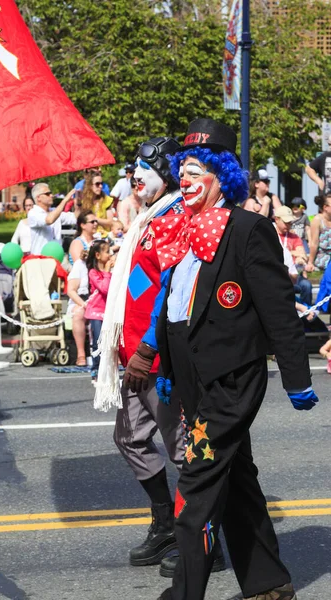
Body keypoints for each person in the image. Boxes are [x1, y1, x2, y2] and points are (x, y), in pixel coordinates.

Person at [142, 118, 319, 600]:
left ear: (222, 176)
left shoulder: (248, 229)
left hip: (231, 381)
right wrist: (164, 364)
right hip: (193, 378)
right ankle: (269, 584)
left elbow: (278, 308)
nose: (186, 180)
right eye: (183, 170)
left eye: (197, 171)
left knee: (195, 490)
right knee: (236, 481)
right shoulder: (179, 229)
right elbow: (174, 302)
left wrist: (296, 377)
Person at [95, 136, 226, 577]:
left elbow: (170, 288)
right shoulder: (149, 217)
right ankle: (166, 524)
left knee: (185, 451)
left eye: (144, 168)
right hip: (132, 350)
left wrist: (149, 348)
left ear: (167, 174)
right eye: (133, 167)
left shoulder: (173, 218)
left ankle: (206, 540)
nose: (134, 175)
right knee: (129, 438)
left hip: (157, 356)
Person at [85, 240, 115, 383]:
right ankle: (95, 371)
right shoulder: (93, 272)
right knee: (97, 342)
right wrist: (108, 272)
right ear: (97, 255)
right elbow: (105, 289)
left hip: (108, 313)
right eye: (107, 251)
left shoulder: (110, 272)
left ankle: (107, 371)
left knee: (109, 343)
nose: (110, 254)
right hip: (96, 312)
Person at [274, 205, 312, 306]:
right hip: (276, 274)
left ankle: (306, 312)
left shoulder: (294, 236)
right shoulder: (271, 234)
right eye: (286, 222)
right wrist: (293, 253)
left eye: (290, 223)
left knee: (306, 285)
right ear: (276, 219)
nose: (288, 225)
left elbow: (303, 255)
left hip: (294, 272)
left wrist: (300, 256)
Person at [28, 183, 78, 255]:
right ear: (38, 197)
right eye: (47, 194)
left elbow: (75, 217)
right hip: (39, 261)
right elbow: (49, 220)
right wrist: (65, 200)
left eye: (51, 193)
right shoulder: (33, 213)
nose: (51, 195)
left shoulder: (54, 211)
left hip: (56, 259)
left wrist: (78, 202)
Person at [67, 251, 89, 366]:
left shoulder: (107, 264)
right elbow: (71, 291)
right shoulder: (80, 265)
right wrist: (84, 304)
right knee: (79, 313)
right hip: (81, 301)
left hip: (100, 301)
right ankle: (81, 354)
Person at [80, 171, 114, 237]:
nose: (100, 186)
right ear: (89, 185)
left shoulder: (107, 200)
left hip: (104, 236)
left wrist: (94, 219)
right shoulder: (83, 201)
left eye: (102, 183)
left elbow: (110, 222)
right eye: (97, 184)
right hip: (88, 236)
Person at [306, 193, 331, 272]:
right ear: (325, 207)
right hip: (323, 257)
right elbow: (314, 243)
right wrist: (310, 262)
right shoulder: (317, 220)